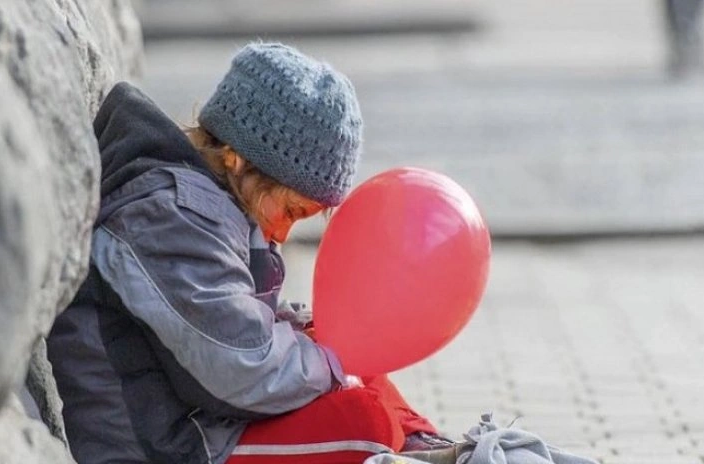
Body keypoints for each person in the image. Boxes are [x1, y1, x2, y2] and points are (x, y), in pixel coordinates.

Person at [46, 42, 457, 464]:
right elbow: (242, 368)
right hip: (165, 446)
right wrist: (331, 362)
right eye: (291, 210)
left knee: (353, 351)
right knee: (365, 428)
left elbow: (234, 324)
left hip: (206, 419)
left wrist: (320, 338)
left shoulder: (210, 207)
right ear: (237, 159)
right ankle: (403, 450)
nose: (283, 233)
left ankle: (428, 447)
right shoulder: (171, 217)